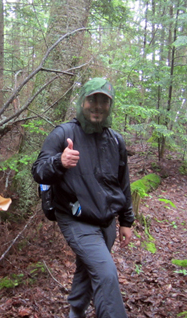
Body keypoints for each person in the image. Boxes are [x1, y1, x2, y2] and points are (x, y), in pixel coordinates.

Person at [31, 78, 134, 318]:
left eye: (104, 101)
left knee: (89, 271)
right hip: (76, 219)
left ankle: (75, 312)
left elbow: (123, 183)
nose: (97, 106)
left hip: (106, 222)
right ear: (82, 101)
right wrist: (60, 161)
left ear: (110, 106)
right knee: (106, 273)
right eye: (92, 99)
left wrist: (126, 221)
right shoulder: (64, 133)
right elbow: (38, 171)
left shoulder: (116, 141)